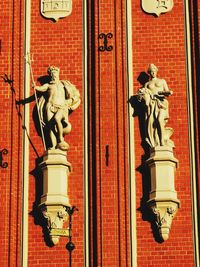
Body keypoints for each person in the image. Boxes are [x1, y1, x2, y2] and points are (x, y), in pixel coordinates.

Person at [34, 66, 80, 151]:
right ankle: (53, 145)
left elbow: (75, 95)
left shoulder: (63, 84)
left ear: (58, 74)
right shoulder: (48, 85)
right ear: (50, 75)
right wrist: (35, 87)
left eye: (55, 74)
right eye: (52, 74)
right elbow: (41, 88)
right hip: (50, 107)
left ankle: (60, 139)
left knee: (56, 119)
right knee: (51, 126)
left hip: (61, 107)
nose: (54, 75)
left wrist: (69, 102)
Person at [137, 64, 174, 148]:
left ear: (156, 71)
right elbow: (143, 94)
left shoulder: (162, 81)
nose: (153, 73)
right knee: (152, 123)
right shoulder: (147, 84)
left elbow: (167, 91)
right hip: (152, 105)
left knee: (160, 120)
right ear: (149, 73)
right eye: (151, 72)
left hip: (161, 103)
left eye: (154, 71)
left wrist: (167, 92)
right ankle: (155, 140)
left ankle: (162, 141)